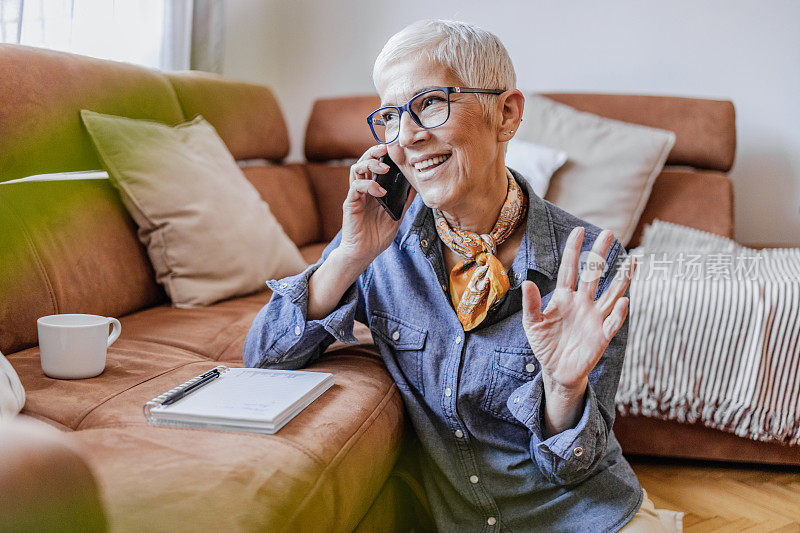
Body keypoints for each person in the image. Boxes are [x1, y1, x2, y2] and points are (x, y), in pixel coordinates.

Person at [244, 19, 668, 533]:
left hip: (581, 518)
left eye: (430, 103)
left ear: (506, 114)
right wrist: (349, 255)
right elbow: (263, 356)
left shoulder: (591, 261)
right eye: (393, 116)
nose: (410, 136)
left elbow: (574, 465)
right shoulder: (381, 240)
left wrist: (564, 389)